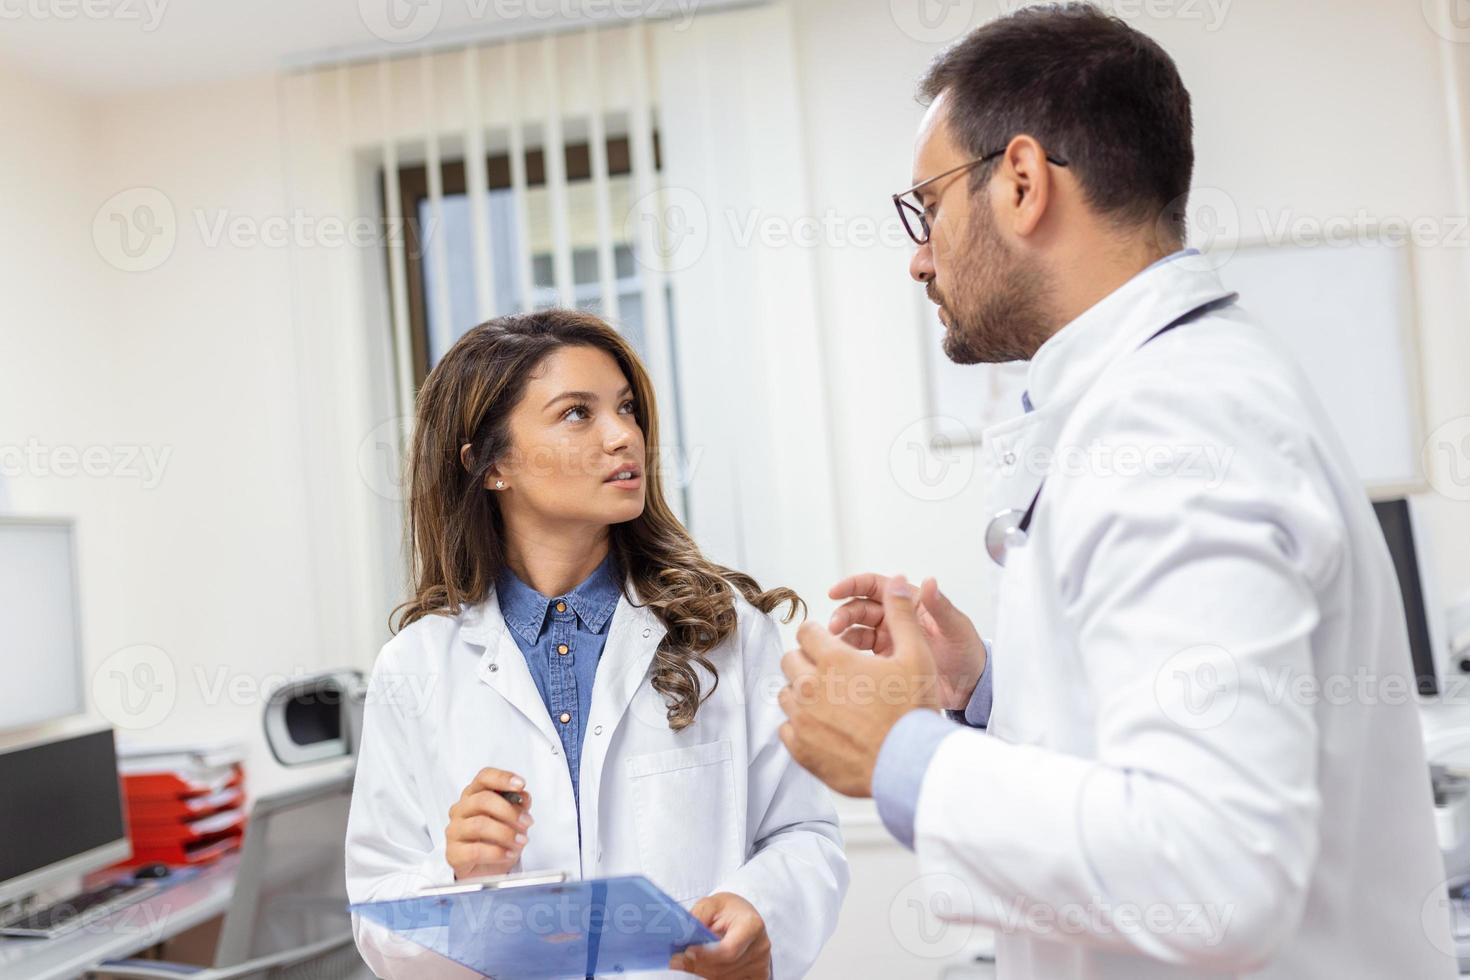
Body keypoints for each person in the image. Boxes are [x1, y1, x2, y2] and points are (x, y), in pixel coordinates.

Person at [776, 6, 1454, 978]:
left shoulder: (1171, 422)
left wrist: (901, 752)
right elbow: (1160, 747)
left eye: (927, 208)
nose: (920, 256)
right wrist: (992, 690)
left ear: (1020, 181)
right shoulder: (1163, 393)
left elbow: (1215, 868)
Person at [346, 309, 848, 980]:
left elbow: (804, 835)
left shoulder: (724, 634)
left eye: (627, 408)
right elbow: (376, 913)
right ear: (491, 465)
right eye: (577, 414)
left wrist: (758, 908)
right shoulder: (414, 667)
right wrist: (458, 873)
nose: (625, 437)